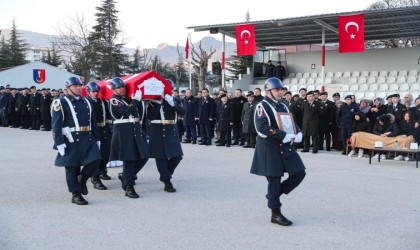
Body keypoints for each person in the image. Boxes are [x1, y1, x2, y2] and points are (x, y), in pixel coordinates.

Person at [250, 77, 306, 226]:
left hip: (285, 146)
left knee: (299, 173)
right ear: (268, 91)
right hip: (270, 148)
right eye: (277, 90)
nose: (281, 92)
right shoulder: (262, 106)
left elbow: (290, 122)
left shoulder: (284, 105)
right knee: (274, 180)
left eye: (281, 89)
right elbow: (262, 127)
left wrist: (298, 132)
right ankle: (275, 213)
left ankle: (272, 195)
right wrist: (283, 135)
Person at [51, 77, 102, 205]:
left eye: (80, 85)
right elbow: (56, 124)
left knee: (96, 160)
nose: (79, 88)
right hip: (70, 139)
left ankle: (83, 179)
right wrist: (58, 142)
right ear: (68, 88)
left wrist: (97, 138)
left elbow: (93, 122)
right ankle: (76, 194)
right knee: (72, 168)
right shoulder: (61, 102)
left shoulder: (86, 101)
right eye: (75, 86)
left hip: (87, 137)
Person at [109, 77, 149, 198]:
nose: (122, 89)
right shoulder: (114, 101)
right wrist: (135, 100)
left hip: (135, 131)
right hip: (123, 133)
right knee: (129, 160)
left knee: (144, 156)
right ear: (113, 89)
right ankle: (129, 187)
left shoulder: (127, 100)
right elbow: (126, 112)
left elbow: (137, 112)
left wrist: (138, 100)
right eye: (119, 87)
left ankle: (126, 176)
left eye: (123, 87)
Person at [147, 89, 185, 192]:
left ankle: (165, 175)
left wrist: (171, 102)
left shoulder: (174, 100)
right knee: (160, 158)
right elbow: (150, 116)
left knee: (177, 156)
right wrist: (158, 104)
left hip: (171, 130)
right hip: (157, 131)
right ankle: (167, 182)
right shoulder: (152, 102)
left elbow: (183, 111)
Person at [85, 82, 111, 191]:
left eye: (97, 91)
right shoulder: (86, 102)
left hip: (104, 129)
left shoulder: (102, 102)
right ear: (88, 92)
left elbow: (108, 115)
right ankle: (95, 178)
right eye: (93, 91)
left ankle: (101, 170)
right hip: (92, 130)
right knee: (95, 156)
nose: (95, 93)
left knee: (107, 153)